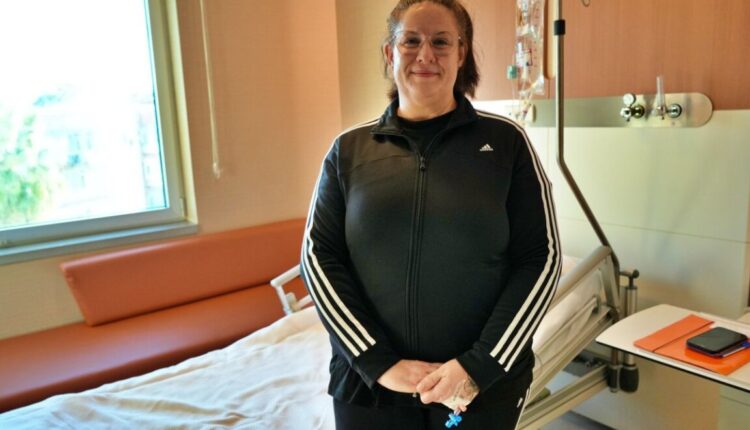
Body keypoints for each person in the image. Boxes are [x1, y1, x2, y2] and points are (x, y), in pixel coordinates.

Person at [301, 0, 561, 428]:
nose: (425, 55)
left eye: (441, 42)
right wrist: (376, 361)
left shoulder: (506, 144)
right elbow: (318, 258)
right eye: (411, 41)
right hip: (370, 385)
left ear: (461, 53)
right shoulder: (348, 151)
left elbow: (541, 258)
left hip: (477, 386)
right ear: (390, 53)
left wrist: (479, 365)